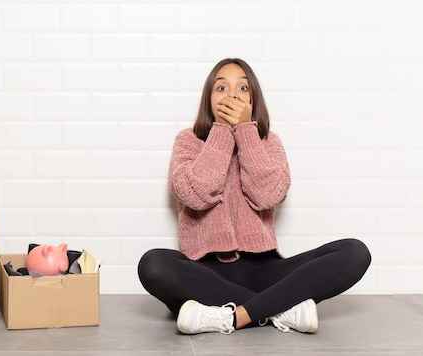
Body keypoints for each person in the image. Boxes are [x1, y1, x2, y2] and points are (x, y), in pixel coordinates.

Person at [137, 58, 371, 335]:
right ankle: (278, 310)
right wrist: (222, 132)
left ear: (253, 100)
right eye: (221, 88)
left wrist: (246, 131)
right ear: (208, 98)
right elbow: (196, 194)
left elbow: (268, 195)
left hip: (266, 271)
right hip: (206, 272)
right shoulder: (188, 141)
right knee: (152, 264)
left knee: (355, 252)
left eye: (243, 89)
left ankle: (231, 315)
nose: (232, 95)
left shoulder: (268, 142)